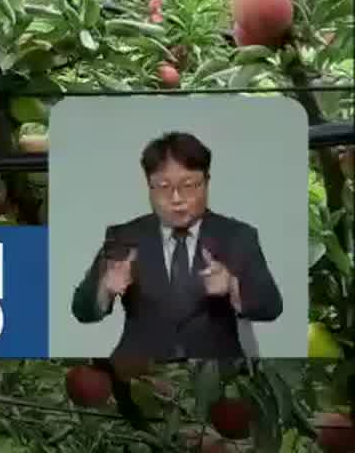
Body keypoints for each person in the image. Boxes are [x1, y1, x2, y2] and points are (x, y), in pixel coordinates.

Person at [70, 130, 283, 360]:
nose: (176, 198)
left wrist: (233, 285)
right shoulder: (125, 236)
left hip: (216, 367)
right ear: (149, 187)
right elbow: (82, 311)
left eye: (189, 185)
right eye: (163, 186)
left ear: (206, 182)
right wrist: (105, 288)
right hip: (138, 369)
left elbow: (271, 307)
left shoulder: (238, 236)